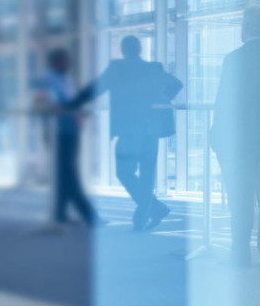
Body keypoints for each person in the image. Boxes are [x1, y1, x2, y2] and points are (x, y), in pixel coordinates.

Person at [68, 36, 183, 231]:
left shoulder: (117, 69)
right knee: (147, 173)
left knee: (124, 172)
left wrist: (72, 103)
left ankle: (151, 210)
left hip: (129, 130)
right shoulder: (153, 68)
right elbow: (176, 84)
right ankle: (149, 212)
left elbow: (95, 89)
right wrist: (161, 99)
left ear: (123, 50)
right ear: (139, 49)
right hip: (151, 129)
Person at [211, 5, 260, 266]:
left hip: (238, 139)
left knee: (240, 198)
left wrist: (216, 135)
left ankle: (240, 253)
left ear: (245, 27)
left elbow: (224, 101)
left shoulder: (233, 59)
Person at [31, 48, 99, 229]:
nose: (69, 64)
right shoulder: (46, 80)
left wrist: (77, 112)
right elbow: (44, 104)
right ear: (56, 62)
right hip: (57, 132)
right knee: (68, 174)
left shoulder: (65, 80)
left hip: (70, 131)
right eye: (66, 61)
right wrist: (69, 110)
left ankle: (59, 214)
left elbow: (68, 103)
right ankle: (89, 214)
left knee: (63, 174)